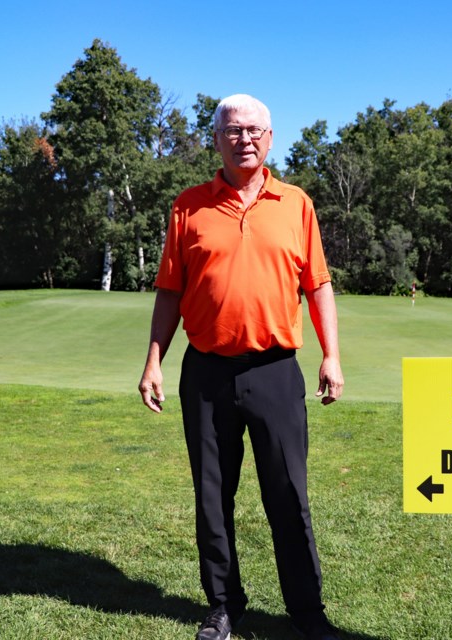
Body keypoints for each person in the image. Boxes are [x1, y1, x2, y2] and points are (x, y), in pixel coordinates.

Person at [138, 94, 344, 640]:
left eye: (254, 130)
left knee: (288, 496)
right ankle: (224, 606)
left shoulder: (296, 203)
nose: (244, 138)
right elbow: (170, 290)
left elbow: (317, 284)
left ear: (271, 138)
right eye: (233, 130)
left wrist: (332, 355)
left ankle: (306, 612)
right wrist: (154, 360)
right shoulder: (189, 205)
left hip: (275, 370)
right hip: (205, 372)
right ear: (217, 139)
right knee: (212, 496)